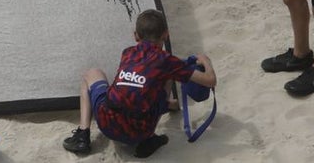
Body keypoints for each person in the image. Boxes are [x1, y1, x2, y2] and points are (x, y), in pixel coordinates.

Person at [62, 9, 216, 158]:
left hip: (107, 124)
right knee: (166, 76)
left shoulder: (127, 52)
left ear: (136, 36)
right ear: (166, 35)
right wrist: (205, 61)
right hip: (140, 132)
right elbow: (210, 81)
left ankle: (82, 134)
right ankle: (150, 138)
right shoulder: (168, 61)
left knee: (92, 73)